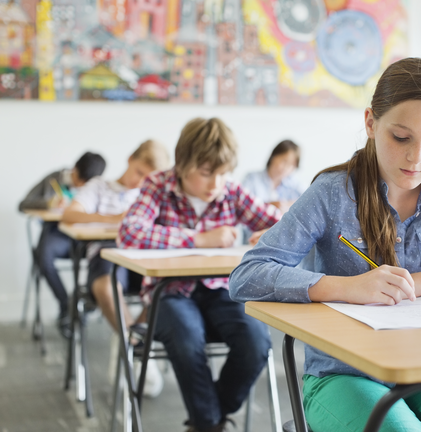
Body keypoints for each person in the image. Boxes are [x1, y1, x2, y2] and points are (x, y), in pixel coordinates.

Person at [230, 58, 421, 432]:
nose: (417, 157)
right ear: (371, 123)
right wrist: (346, 288)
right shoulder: (331, 193)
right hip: (343, 375)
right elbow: (246, 276)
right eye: (401, 137)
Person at [117, 118, 282, 432]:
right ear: (182, 165)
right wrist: (197, 238)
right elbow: (129, 232)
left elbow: (284, 223)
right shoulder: (158, 185)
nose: (215, 184)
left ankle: (209, 420)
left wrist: (273, 234)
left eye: (223, 174)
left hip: (223, 289)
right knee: (187, 340)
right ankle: (210, 424)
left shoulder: (231, 192)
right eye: (207, 173)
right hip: (169, 293)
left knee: (257, 343)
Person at [62, 140, 170, 335]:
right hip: (107, 252)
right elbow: (69, 215)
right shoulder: (99, 187)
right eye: (139, 172)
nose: (140, 182)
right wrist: (113, 219)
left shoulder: (152, 195)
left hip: (142, 253)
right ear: (130, 159)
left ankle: (138, 341)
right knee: (106, 287)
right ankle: (133, 344)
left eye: (147, 178)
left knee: (169, 287)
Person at [18, 151, 106, 338]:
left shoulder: (100, 188)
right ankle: (66, 305)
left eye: (86, 184)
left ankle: (85, 302)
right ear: (74, 169)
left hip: (86, 236)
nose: (81, 186)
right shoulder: (54, 180)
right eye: (79, 180)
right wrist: (49, 203)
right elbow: (23, 204)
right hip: (57, 234)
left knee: (104, 256)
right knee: (43, 256)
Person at [241, 139, 305, 213]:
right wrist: (267, 206)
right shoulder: (252, 179)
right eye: (284, 161)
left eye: (292, 165)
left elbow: (308, 202)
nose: (286, 168)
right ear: (273, 156)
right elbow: (241, 206)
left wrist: (288, 205)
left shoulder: (295, 184)